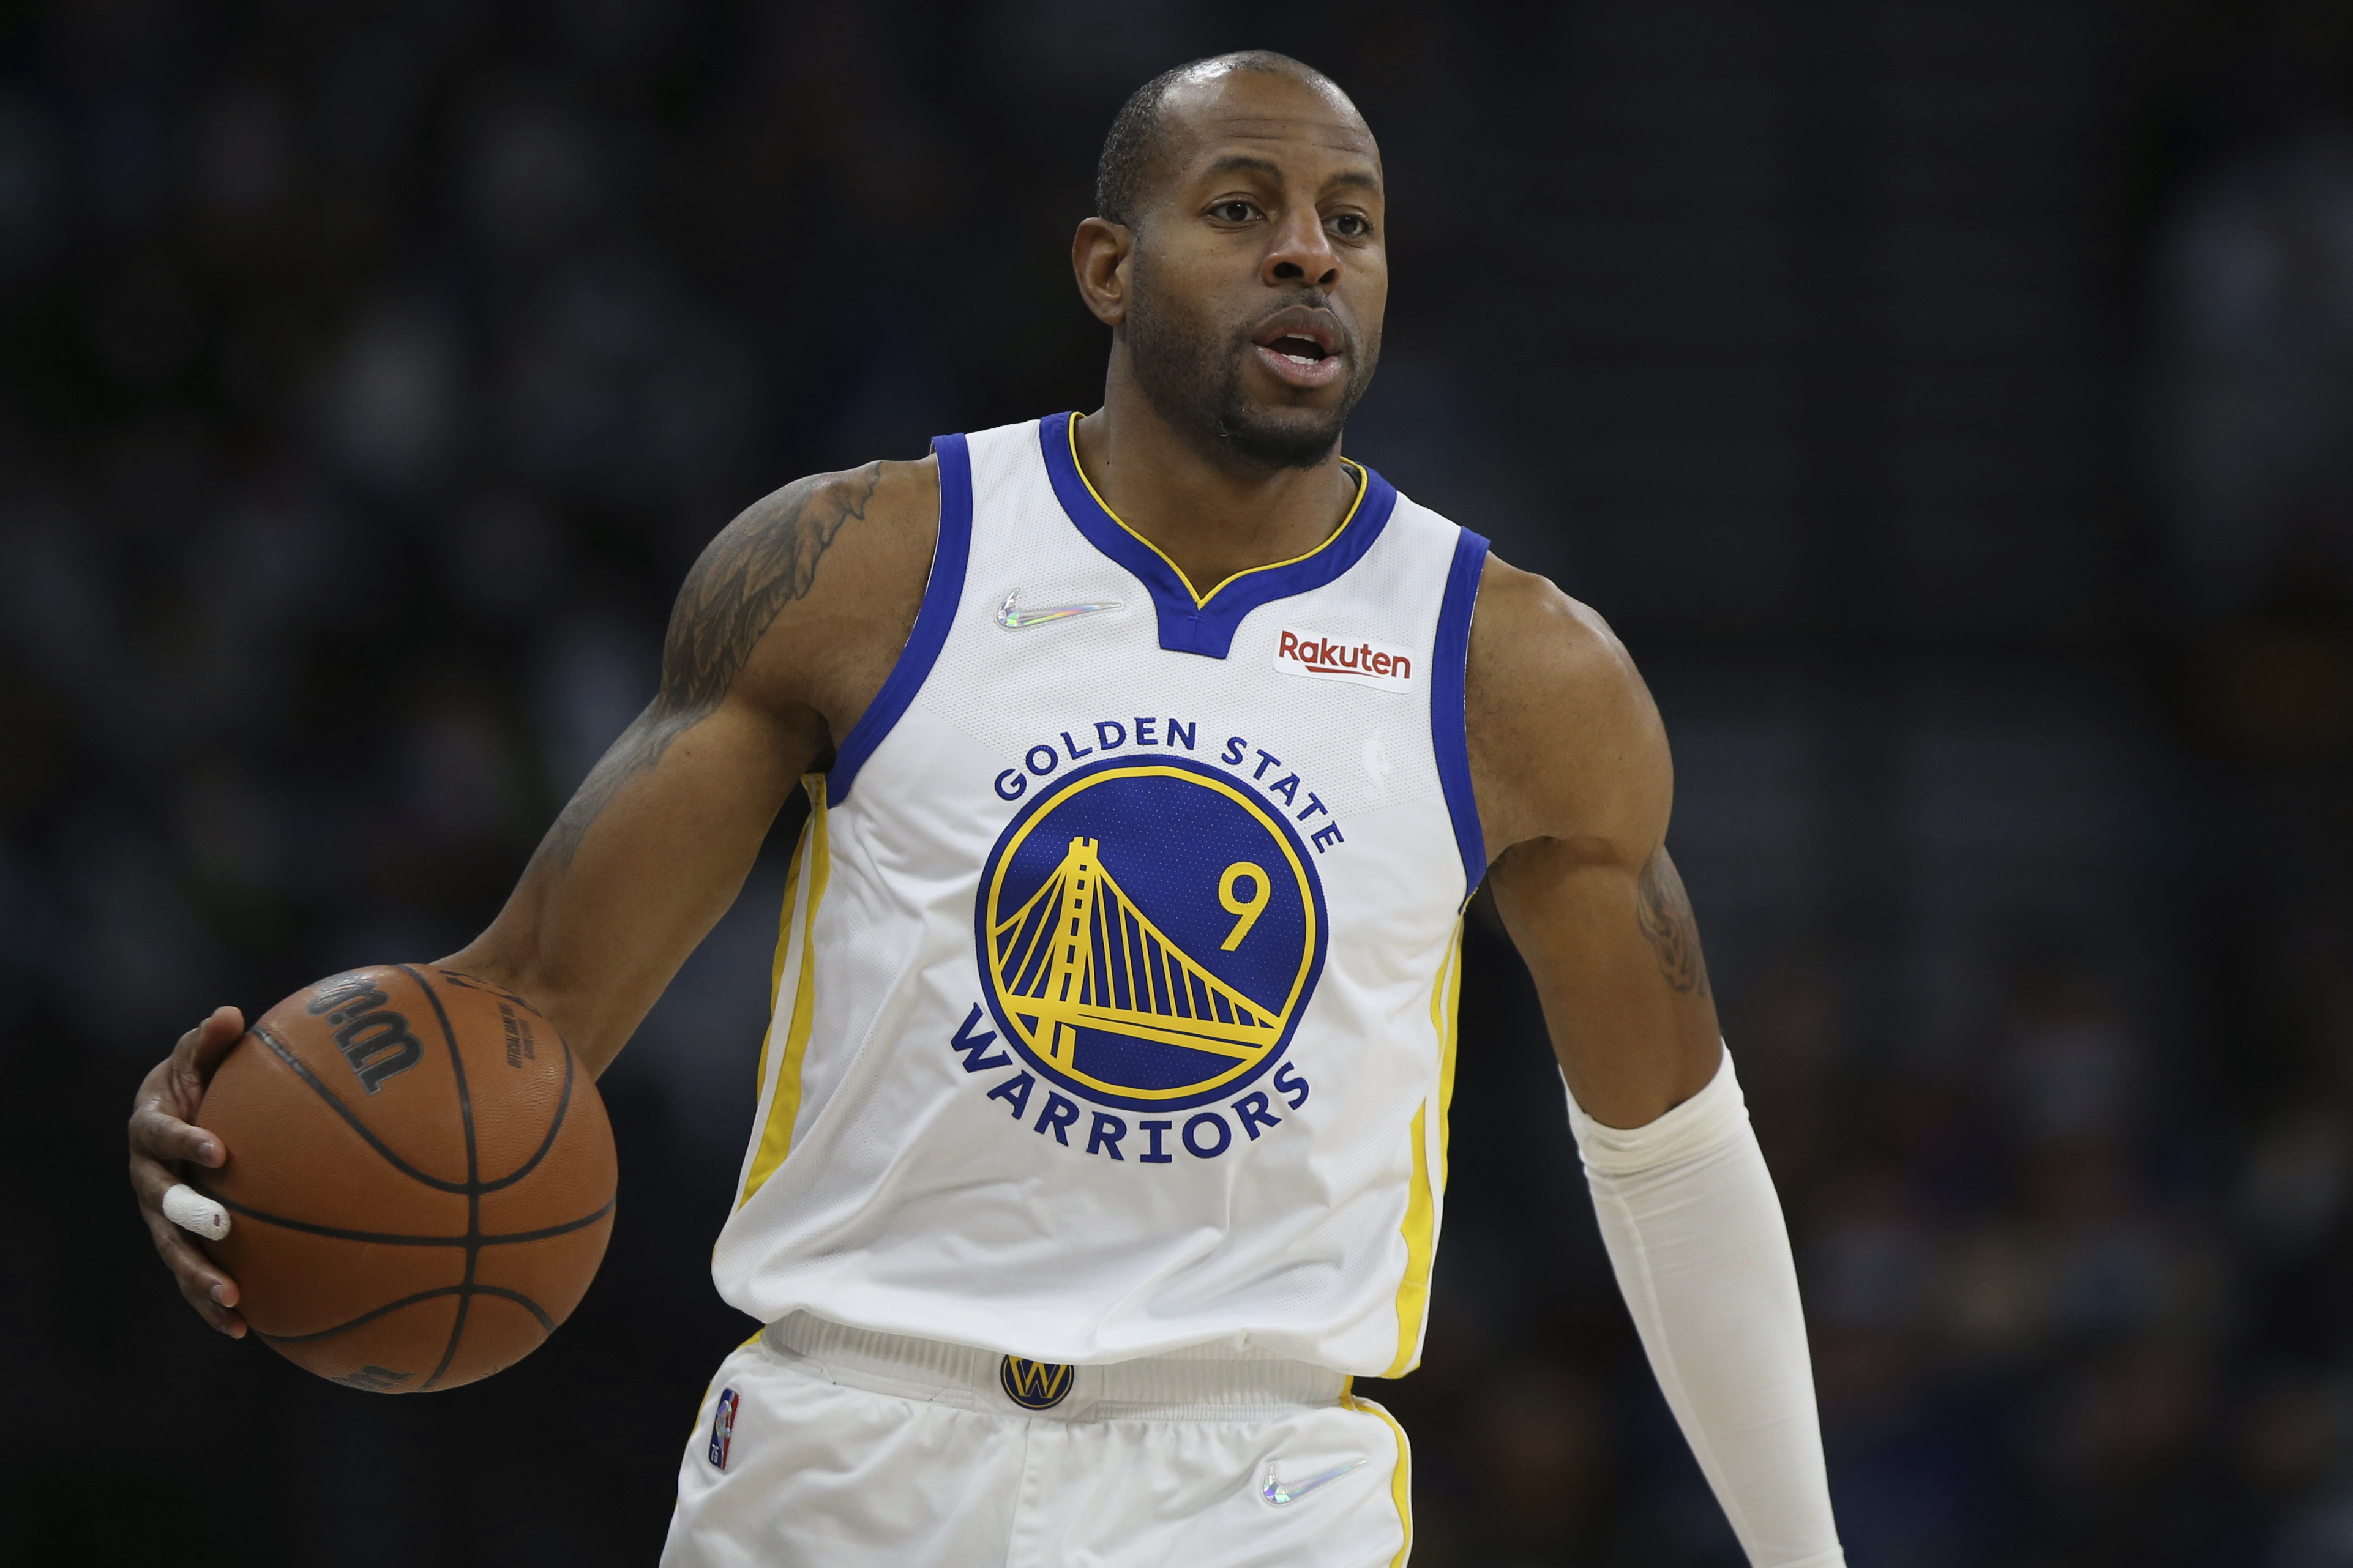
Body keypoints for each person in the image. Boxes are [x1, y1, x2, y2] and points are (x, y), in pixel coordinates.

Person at [127, 50, 1844, 1568]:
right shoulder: (860, 562)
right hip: (842, 1451)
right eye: (1239, 207)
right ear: (1106, 266)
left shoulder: (1522, 671)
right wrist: (242, 1149)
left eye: (1352, 220)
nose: (1308, 249)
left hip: (1251, 1483)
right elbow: (524, 1012)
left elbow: (1674, 1161)